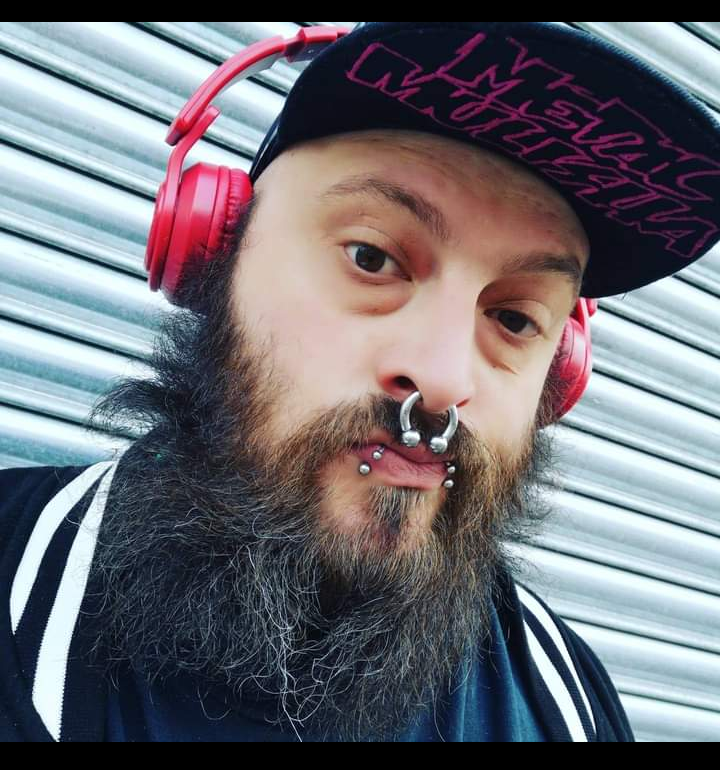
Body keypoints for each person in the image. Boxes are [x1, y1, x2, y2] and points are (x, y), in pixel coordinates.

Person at [1, 22, 718, 743]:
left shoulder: (570, 704)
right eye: (372, 259)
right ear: (210, 254)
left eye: (513, 317)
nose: (443, 381)